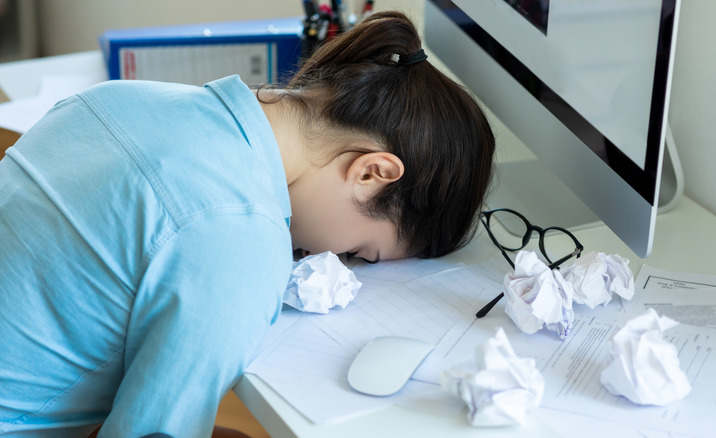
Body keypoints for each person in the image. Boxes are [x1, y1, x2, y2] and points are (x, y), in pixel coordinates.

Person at [0, 11, 494, 438]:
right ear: (372, 173)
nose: (334, 261)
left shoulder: (123, 96)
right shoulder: (239, 235)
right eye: (360, 253)